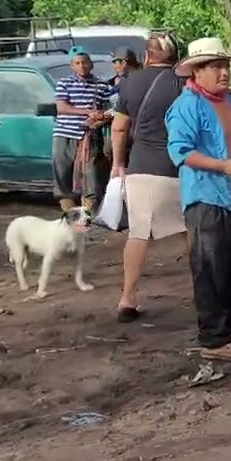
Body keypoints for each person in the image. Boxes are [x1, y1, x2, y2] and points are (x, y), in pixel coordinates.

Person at [166, 37, 231, 361]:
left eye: (226, 66)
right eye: (216, 67)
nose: (224, 72)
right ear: (197, 71)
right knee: (211, 268)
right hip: (207, 197)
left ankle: (226, 331)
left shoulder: (229, 100)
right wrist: (222, 166)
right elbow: (180, 151)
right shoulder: (187, 106)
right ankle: (214, 340)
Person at [110, 32, 186, 322]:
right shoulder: (185, 82)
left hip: (142, 166)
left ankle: (127, 299)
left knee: (139, 233)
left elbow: (119, 128)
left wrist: (119, 163)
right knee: (191, 232)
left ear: (147, 56)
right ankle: (206, 291)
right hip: (180, 167)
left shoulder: (130, 82)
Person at [52, 50, 113, 212]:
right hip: (65, 134)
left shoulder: (101, 85)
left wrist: (99, 118)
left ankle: (89, 215)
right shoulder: (64, 83)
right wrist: (87, 112)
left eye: (84, 62)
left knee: (90, 177)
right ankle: (68, 213)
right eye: (77, 63)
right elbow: (62, 108)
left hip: (90, 136)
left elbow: (108, 110)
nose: (81, 66)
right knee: (63, 173)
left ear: (91, 65)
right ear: (72, 66)